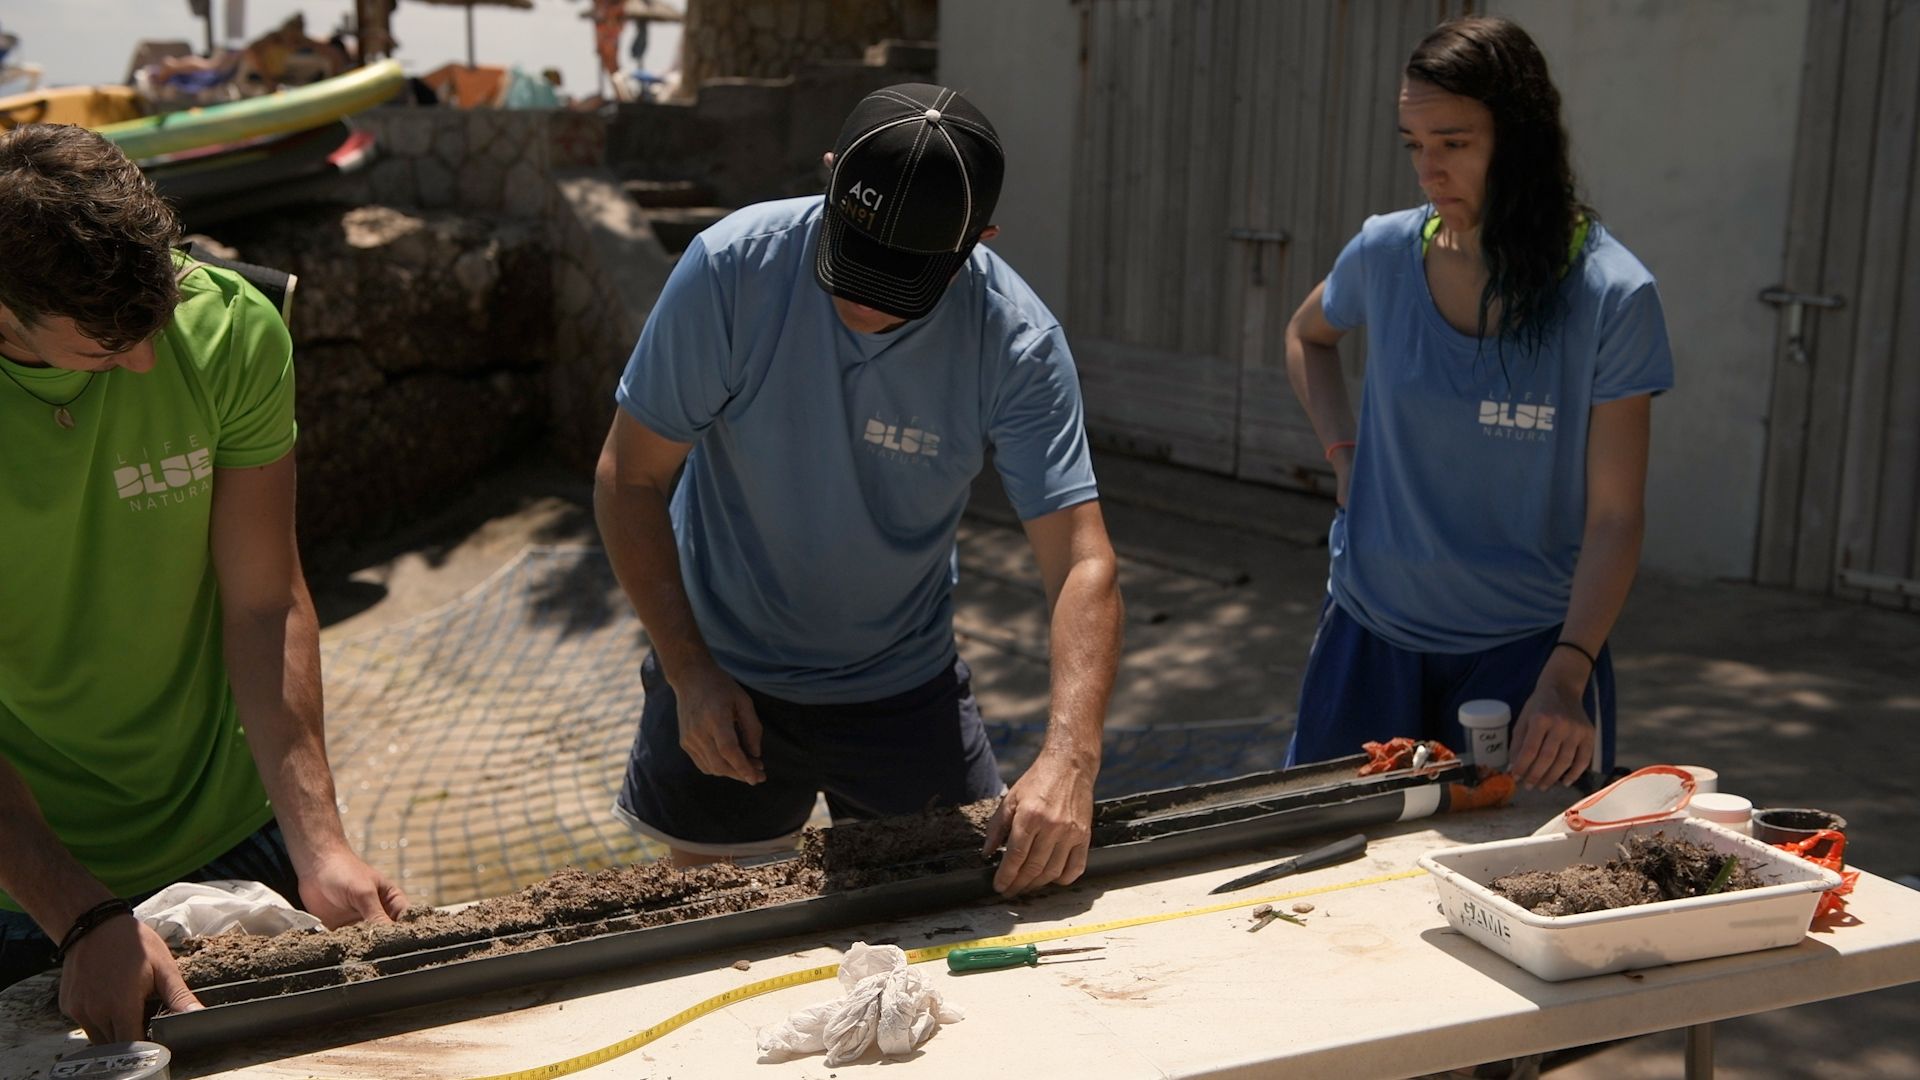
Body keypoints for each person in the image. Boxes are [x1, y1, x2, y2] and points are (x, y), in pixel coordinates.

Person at [595, 83, 1124, 897]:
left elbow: (1082, 562)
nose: (862, 300)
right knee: (711, 937)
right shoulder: (732, 270)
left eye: (903, 281)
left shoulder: (1015, 341)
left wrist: (1070, 758)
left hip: (902, 685)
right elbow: (630, 480)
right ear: (830, 176)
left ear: (977, 243)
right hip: (719, 666)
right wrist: (687, 670)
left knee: (961, 904)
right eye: (852, 258)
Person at [0, 125, 406, 1041]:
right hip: (26, 877)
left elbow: (265, 601)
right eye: (106, 347)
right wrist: (82, 913)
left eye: (155, 320)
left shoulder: (228, 323)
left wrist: (321, 843)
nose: (145, 362)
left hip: (236, 825)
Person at [1283, 16, 1673, 793]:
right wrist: (1343, 453)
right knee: (1318, 888)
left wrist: (1567, 675)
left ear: (1520, 140)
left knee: (1511, 882)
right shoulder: (1385, 253)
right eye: (1413, 144)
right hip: (1369, 633)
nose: (1429, 170)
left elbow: (1615, 518)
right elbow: (1307, 335)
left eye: (1454, 143)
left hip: (1529, 653)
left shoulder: (1611, 295)